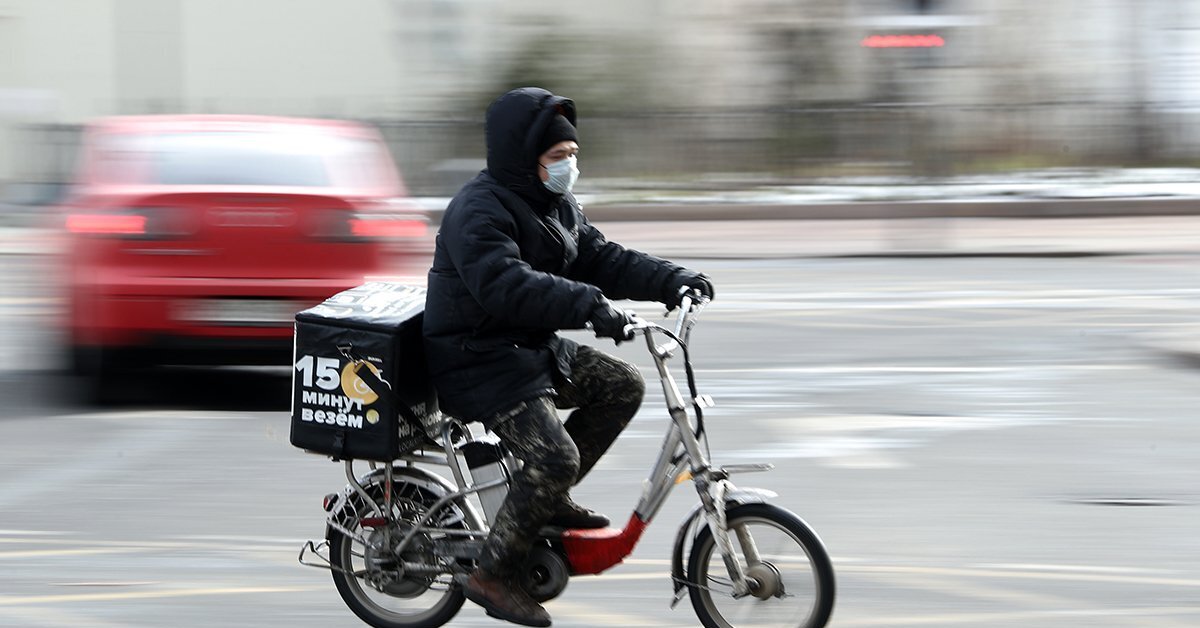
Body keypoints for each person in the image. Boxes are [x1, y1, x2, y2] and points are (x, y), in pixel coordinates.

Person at [423, 87, 714, 627]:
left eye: (572, 155)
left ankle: (545, 499)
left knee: (622, 385)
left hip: (524, 347)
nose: (568, 166)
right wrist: (591, 307)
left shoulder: (553, 204)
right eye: (557, 156)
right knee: (556, 456)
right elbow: (505, 284)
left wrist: (672, 280)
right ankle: (494, 574)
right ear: (523, 157)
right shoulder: (477, 210)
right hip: (476, 358)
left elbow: (600, 257)